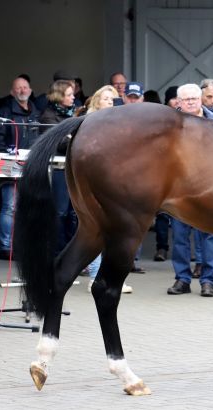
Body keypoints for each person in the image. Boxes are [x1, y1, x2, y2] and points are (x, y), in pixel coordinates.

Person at [167, 83, 213, 297]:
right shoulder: (168, 124)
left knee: (209, 236)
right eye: (186, 99)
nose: (190, 102)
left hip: (209, 187)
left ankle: (208, 281)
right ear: (178, 103)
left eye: (194, 99)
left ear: (201, 100)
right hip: (178, 188)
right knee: (180, 237)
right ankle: (182, 279)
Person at [82, 85, 133, 294]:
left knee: (117, 232)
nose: (111, 102)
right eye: (106, 99)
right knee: (95, 229)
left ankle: (112, 278)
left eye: (114, 99)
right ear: (97, 102)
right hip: (94, 183)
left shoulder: (124, 124)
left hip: (117, 185)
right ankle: (94, 276)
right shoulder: (89, 123)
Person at [0, 76, 41, 259]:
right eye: (18, 88)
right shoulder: (4, 113)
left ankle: (23, 245)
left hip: (32, 167)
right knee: (10, 206)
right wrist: (10, 158)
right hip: (11, 166)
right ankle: (5, 247)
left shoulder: (37, 112)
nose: (22, 90)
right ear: (12, 92)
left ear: (30, 90)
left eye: (25, 87)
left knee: (28, 207)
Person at [40, 80, 78, 254]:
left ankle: (71, 251)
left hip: (72, 168)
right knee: (60, 212)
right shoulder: (48, 116)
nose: (73, 97)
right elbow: (59, 143)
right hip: (57, 169)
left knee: (73, 213)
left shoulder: (74, 113)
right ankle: (57, 251)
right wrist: (73, 138)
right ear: (59, 96)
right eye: (69, 94)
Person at [153, 85, 180, 262]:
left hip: (180, 171)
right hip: (164, 169)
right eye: (174, 98)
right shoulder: (162, 118)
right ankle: (161, 247)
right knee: (162, 215)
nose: (177, 101)